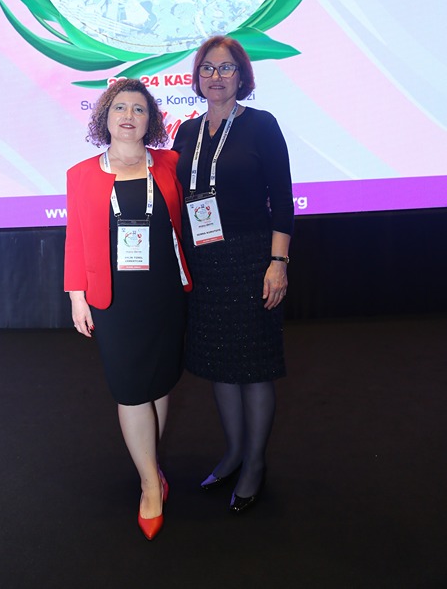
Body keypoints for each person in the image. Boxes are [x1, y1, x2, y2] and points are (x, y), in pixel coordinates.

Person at [64, 78, 192, 540]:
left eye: (139, 109)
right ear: (105, 116)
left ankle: (151, 468)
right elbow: (76, 237)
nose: (129, 116)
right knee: (130, 389)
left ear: (150, 120)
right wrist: (76, 295)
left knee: (159, 381)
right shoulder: (81, 174)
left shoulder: (170, 163)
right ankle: (149, 485)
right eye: (120, 107)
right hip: (115, 298)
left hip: (164, 292)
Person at [173, 36, 294, 514]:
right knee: (219, 363)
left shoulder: (261, 125)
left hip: (250, 259)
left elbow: (282, 201)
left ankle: (255, 464)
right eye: (208, 68)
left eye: (226, 68)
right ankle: (234, 453)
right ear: (197, 77)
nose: (216, 76)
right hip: (205, 261)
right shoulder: (187, 131)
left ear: (242, 76)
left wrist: (278, 264)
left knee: (254, 367)